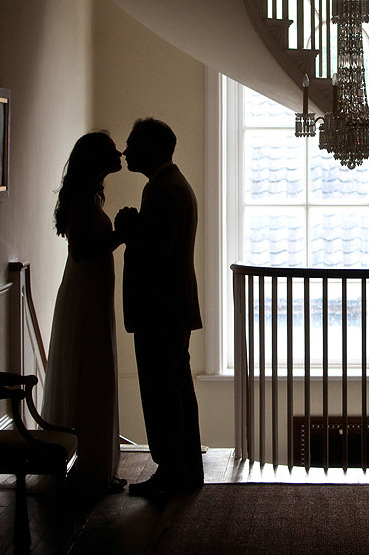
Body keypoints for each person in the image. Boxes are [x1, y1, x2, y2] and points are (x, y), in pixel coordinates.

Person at [114, 117, 204, 497]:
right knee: (174, 389)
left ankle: (172, 473)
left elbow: (156, 255)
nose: (126, 150)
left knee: (163, 393)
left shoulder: (165, 190)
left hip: (160, 309)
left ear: (151, 148)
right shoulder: (169, 185)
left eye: (133, 143)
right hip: (169, 308)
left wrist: (130, 228)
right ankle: (183, 469)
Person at [41, 131, 127, 498]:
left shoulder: (90, 195)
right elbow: (80, 251)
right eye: (111, 151)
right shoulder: (82, 199)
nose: (119, 153)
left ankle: (95, 467)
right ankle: (87, 470)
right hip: (84, 297)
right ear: (95, 159)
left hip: (92, 294)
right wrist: (120, 235)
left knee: (94, 373)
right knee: (89, 372)